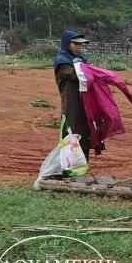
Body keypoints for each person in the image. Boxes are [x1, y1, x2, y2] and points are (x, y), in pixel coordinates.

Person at [54, 30, 93, 164]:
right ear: (67, 44)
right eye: (75, 44)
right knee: (71, 132)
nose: (79, 47)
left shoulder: (82, 59)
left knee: (85, 132)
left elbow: (88, 75)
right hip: (71, 104)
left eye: (80, 45)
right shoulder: (62, 61)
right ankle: (68, 166)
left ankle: (83, 164)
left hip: (84, 102)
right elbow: (75, 75)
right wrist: (92, 71)